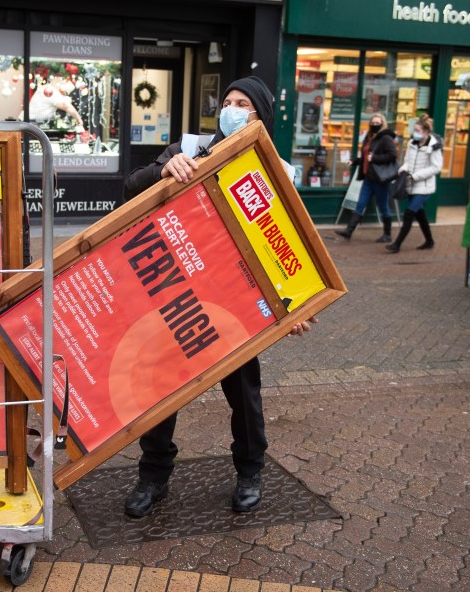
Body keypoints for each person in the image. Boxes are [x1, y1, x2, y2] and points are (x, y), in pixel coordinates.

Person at [122, 76, 313, 518]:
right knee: (161, 387)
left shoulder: (274, 170)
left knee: (243, 391)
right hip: (177, 290)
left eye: (241, 102)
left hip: (238, 302)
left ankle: (250, 472)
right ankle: (153, 477)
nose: (230, 108)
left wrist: (297, 305)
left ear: (258, 116)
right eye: (227, 100)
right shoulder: (188, 149)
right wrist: (163, 171)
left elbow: (291, 247)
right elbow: (132, 187)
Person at [334, 113, 398, 243]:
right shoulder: (369, 137)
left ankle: (387, 234)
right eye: (372, 123)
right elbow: (365, 157)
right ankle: (348, 231)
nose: (374, 125)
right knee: (360, 204)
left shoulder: (385, 138)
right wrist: (355, 161)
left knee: (383, 206)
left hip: (380, 179)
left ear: (382, 123)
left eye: (377, 123)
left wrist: (375, 158)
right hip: (369, 178)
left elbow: (392, 155)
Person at [386, 116, 442, 253]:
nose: (415, 133)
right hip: (410, 184)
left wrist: (415, 176)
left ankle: (397, 244)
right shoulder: (412, 143)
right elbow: (407, 161)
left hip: (424, 186)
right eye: (414, 130)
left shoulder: (433, 147)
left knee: (409, 213)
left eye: (417, 130)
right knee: (419, 214)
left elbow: (436, 167)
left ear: (426, 131)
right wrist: (403, 169)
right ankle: (429, 241)